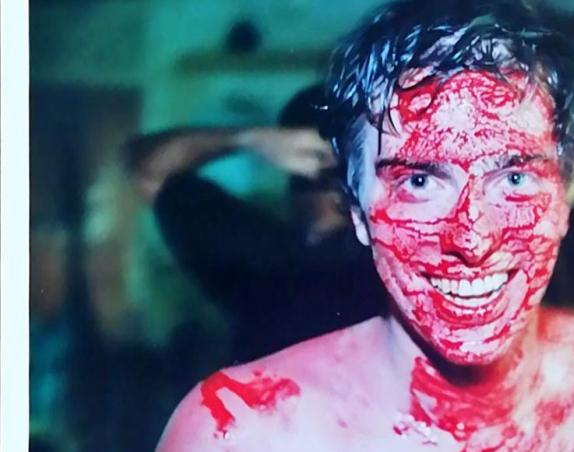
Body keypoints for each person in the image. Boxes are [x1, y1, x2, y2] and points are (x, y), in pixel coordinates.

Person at [141, 0, 574, 452]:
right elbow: (147, 170)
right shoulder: (229, 434)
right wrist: (250, 140)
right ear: (356, 203)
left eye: (513, 177)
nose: (472, 239)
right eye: (420, 182)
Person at [129, 87, 386, 364]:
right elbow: (149, 171)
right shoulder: (260, 255)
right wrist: (253, 140)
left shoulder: (391, 259)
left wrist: (248, 140)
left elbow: (150, 174)